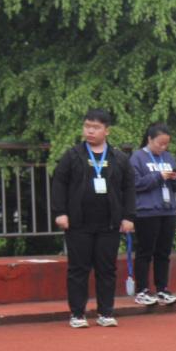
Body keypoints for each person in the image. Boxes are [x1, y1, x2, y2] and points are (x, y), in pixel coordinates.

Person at [51, 108, 135, 328]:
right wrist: (60, 212)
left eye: (96, 127)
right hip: (79, 222)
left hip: (109, 223)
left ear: (107, 131)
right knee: (78, 268)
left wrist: (128, 216)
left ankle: (105, 312)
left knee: (106, 269)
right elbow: (59, 183)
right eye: (87, 126)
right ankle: (77, 313)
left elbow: (129, 188)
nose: (90, 131)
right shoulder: (73, 155)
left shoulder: (118, 157)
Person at [130, 123, 176, 306]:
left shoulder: (168, 157)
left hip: (168, 210)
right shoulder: (137, 157)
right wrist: (159, 176)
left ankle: (162, 288)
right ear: (150, 139)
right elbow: (135, 184)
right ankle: (142, 290)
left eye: (166, 144)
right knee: (145, 251)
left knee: (163, 252)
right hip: (147, 212)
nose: (163, 147)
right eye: (160, 143)